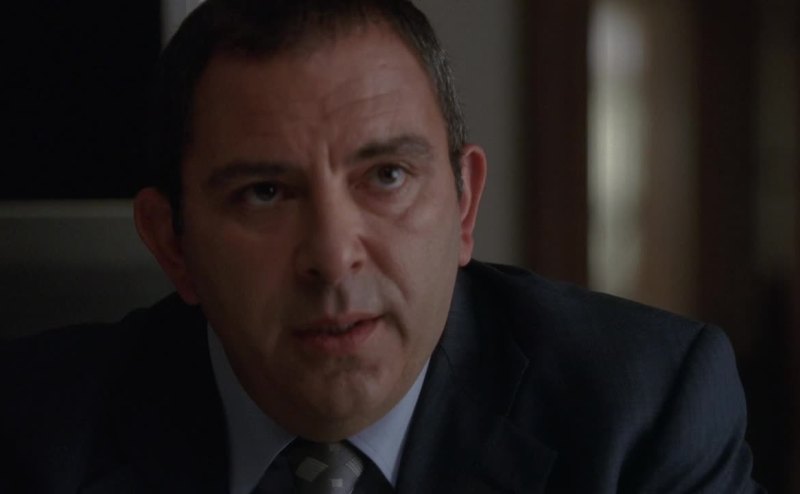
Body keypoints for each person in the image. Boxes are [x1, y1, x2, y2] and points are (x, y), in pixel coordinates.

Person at [0, 0, 763, 492]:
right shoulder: (31, 432)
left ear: (463, 205)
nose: (334, 259)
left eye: (387, 176)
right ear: (172, 242)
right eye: (264, 192)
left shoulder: (643, 414)